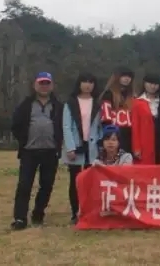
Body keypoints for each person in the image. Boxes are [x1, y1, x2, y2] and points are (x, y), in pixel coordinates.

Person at [10, 72, 63, 231]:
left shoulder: (58, 106)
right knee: (24, 185)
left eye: (47, 83)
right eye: (41, 83)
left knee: (46, 185)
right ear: (35, 85)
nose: (44, 86)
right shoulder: (26, 105)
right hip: (29, 152)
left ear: (52, 85)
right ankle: (20, 218)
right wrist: (23, 140)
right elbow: (16, 125)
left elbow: (63, 126)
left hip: (50, 151)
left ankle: (38, 213)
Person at [62, 72, 102, 224]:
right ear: (79, 84)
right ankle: (75, 212)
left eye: (91, 82)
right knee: (75, 180)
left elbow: (99, 126)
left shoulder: (97, 103)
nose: (87, 85)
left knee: (91, 181)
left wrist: (99, 144)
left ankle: (89, 211)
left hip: (92, 147)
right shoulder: (71, 103)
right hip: (76, 146)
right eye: (84, 81)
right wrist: (70, 147)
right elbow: (66, 126)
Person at [100, 67, 135, 154]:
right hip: (114, 135)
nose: (127, 79)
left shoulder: (133, 95)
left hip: (130, 136)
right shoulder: (109, 94)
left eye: (129, 76)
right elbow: (106, 119)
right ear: (117, 77)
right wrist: (111, 136)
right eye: (123, 76)